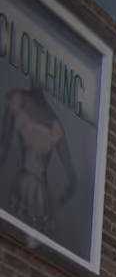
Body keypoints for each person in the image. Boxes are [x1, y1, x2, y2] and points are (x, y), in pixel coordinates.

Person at [1, 81, 78, 235]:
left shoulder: (54, 124)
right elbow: (3, 146)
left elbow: (74, 181)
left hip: (40, 198)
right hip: (22, 189)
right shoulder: (18, 100)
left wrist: (57, 203)